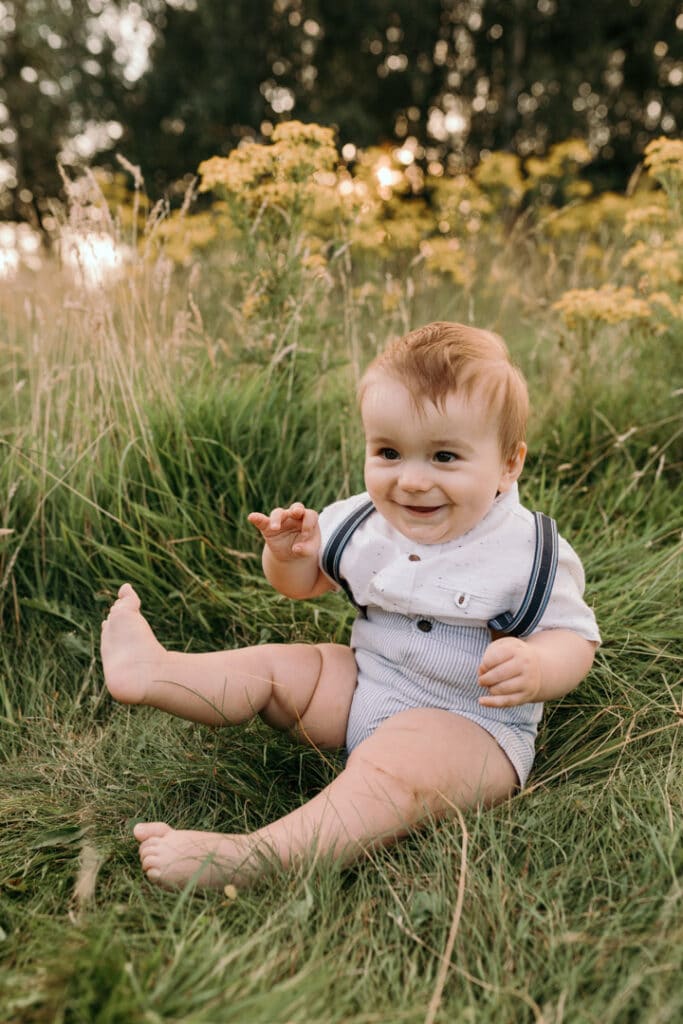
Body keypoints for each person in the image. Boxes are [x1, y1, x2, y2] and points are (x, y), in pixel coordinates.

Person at [101, 321, 600, 890]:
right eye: (389, 452)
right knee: (283, 666)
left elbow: (574, 637)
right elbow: (303, 584)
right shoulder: (364, 518)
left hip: (470, 728)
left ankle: (257, 855)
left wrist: (538, 667)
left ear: (508, 464)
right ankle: (158, 671)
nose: (411, 480)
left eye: (443, 456)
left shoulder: (526, 549)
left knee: (390, 773)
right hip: (367, 686)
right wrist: (288, 556)